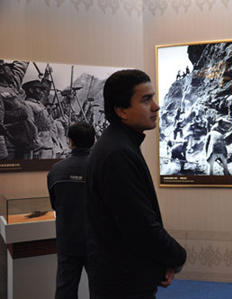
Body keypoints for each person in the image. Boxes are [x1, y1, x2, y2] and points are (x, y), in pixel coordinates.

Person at [86, 69, 186, 299]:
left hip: (122, 276)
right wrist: (177, 256)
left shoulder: (119, 144)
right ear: (121, 110)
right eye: (145, 99)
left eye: (153, 97)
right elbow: (140, 226)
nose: (156, 106)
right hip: (123, 283)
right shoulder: (117, 153)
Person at [47, 121, 96, 299]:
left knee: (65, 290)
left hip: (67, 241)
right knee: (100, 290)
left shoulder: (56, 170)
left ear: (70, 142)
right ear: (94, 140)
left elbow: (55, 204)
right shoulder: (101, 168)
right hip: (96, 242)